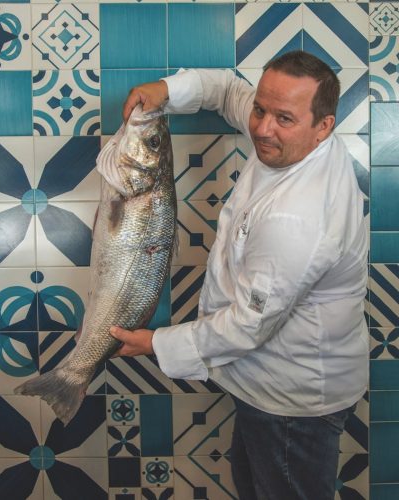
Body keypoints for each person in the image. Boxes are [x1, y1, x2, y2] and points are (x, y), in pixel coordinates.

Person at [103, 51, 369, 500]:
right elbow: (228, 90)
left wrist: (155, 343)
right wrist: (165, 91)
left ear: (323, 126)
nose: (262, 128)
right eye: (261, 109)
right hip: (265, 383)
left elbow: (249, 324)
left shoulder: (299, 219)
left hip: (292, 401)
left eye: (283, 118)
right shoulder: (296, 138)